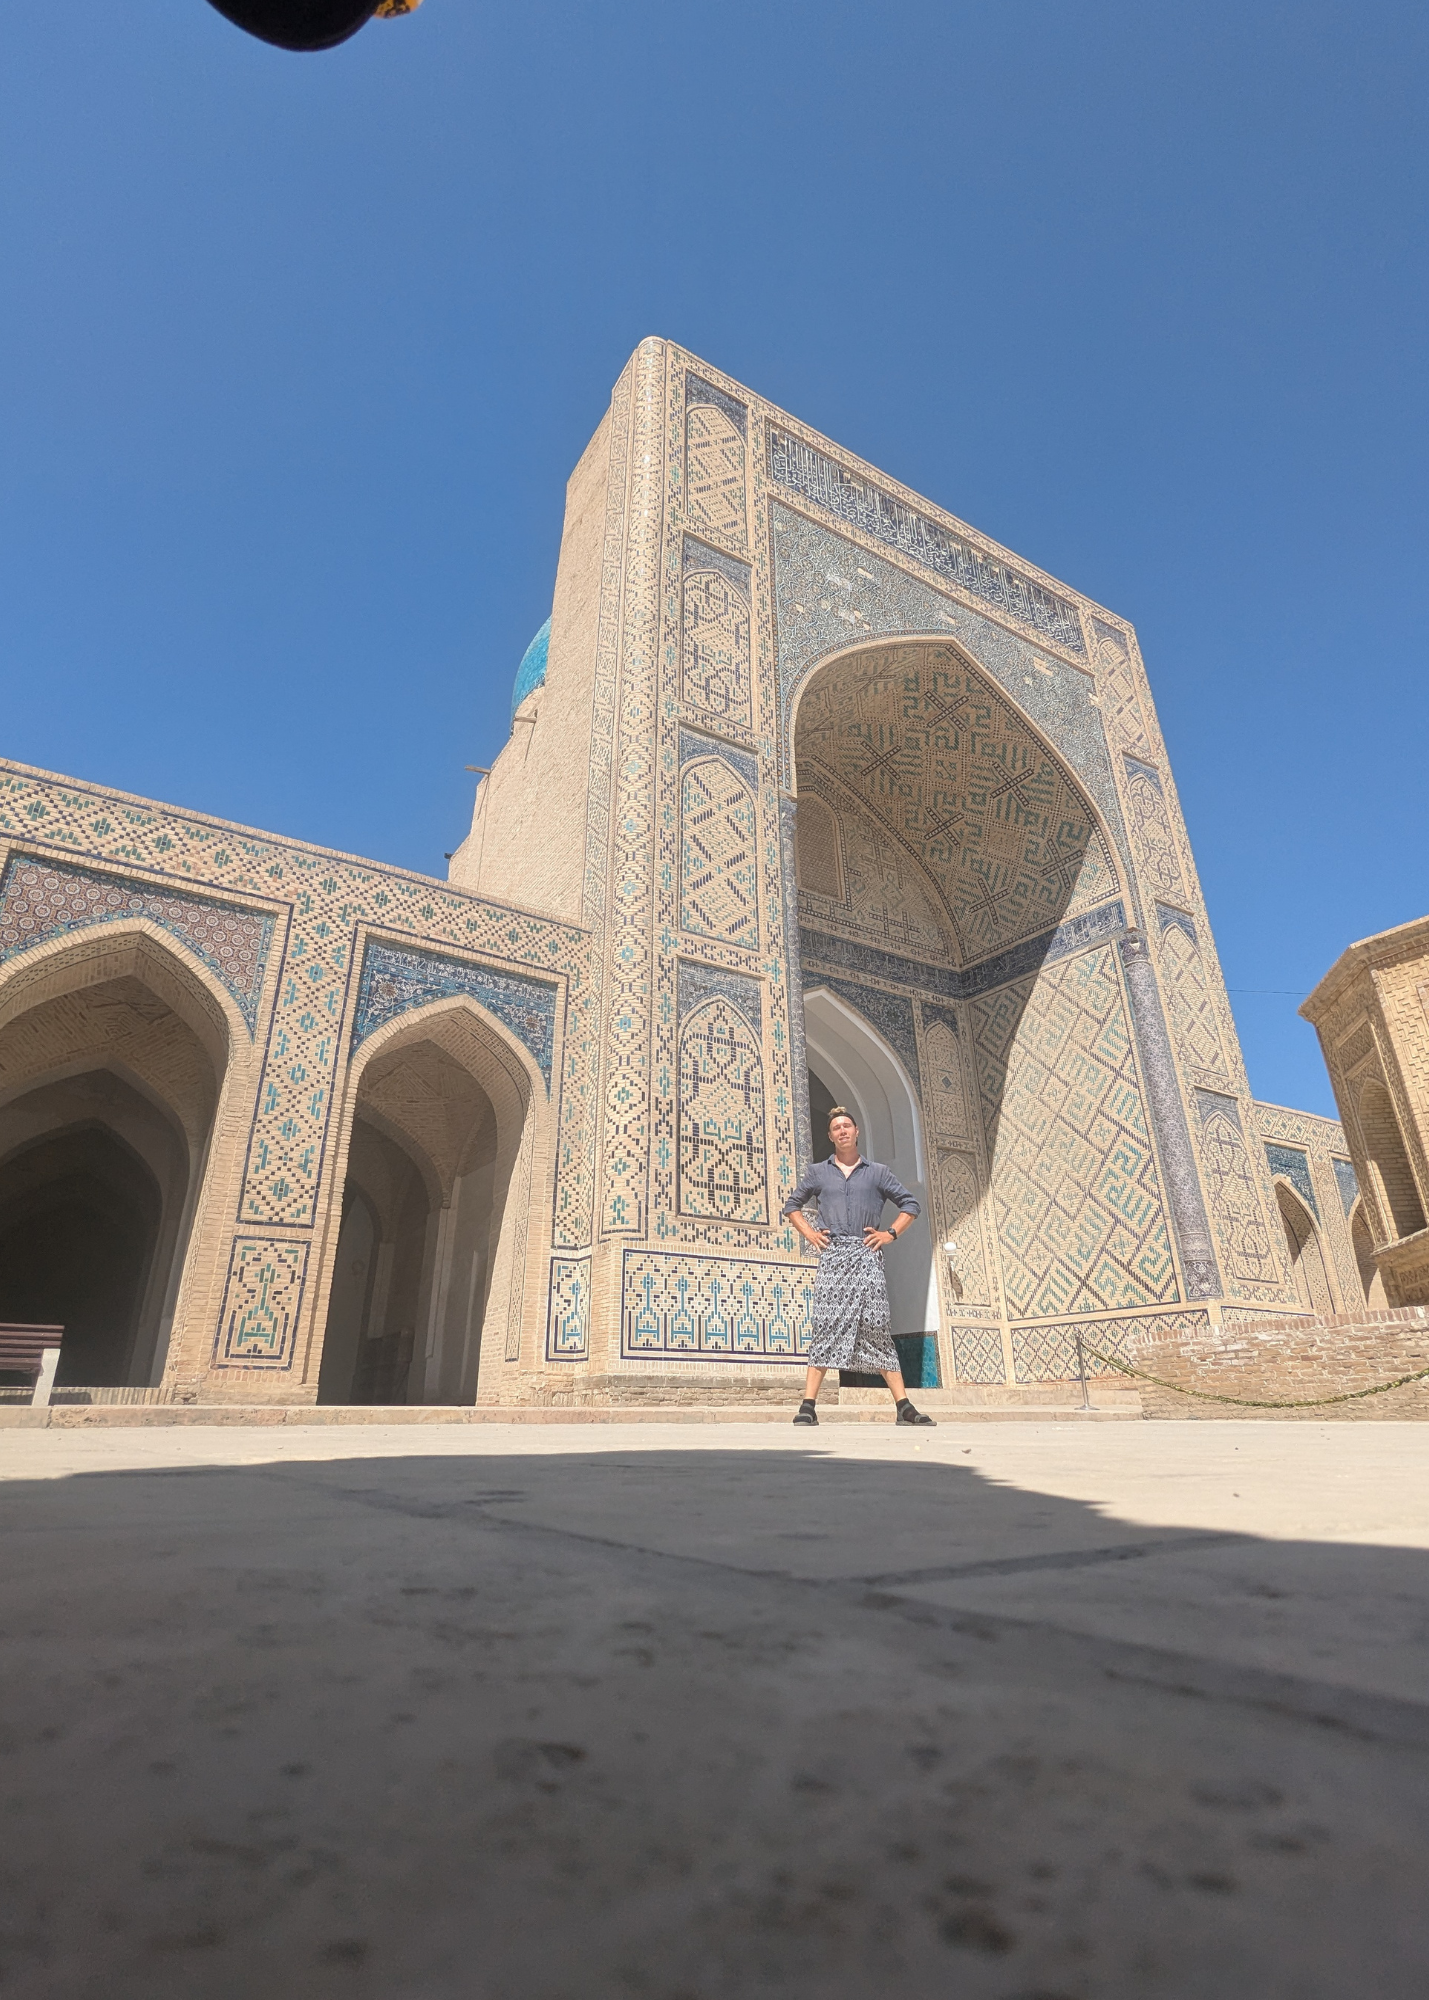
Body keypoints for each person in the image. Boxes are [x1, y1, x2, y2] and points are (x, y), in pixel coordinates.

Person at [781, 1107, 936, 1427]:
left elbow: (910, 1204)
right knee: (825, 1324)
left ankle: (904, 1406)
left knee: (877, 1325)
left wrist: (890, 1234)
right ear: (830, 1135)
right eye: (836, 1127)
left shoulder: (877, 1172)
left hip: (866, 1256)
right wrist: (810, 1234)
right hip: (834, 1256)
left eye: (847, 1126)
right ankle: (808, 1405)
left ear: (856, 1131)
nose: (842, 1131)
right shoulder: (817, 1172)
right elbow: (792, 1206)